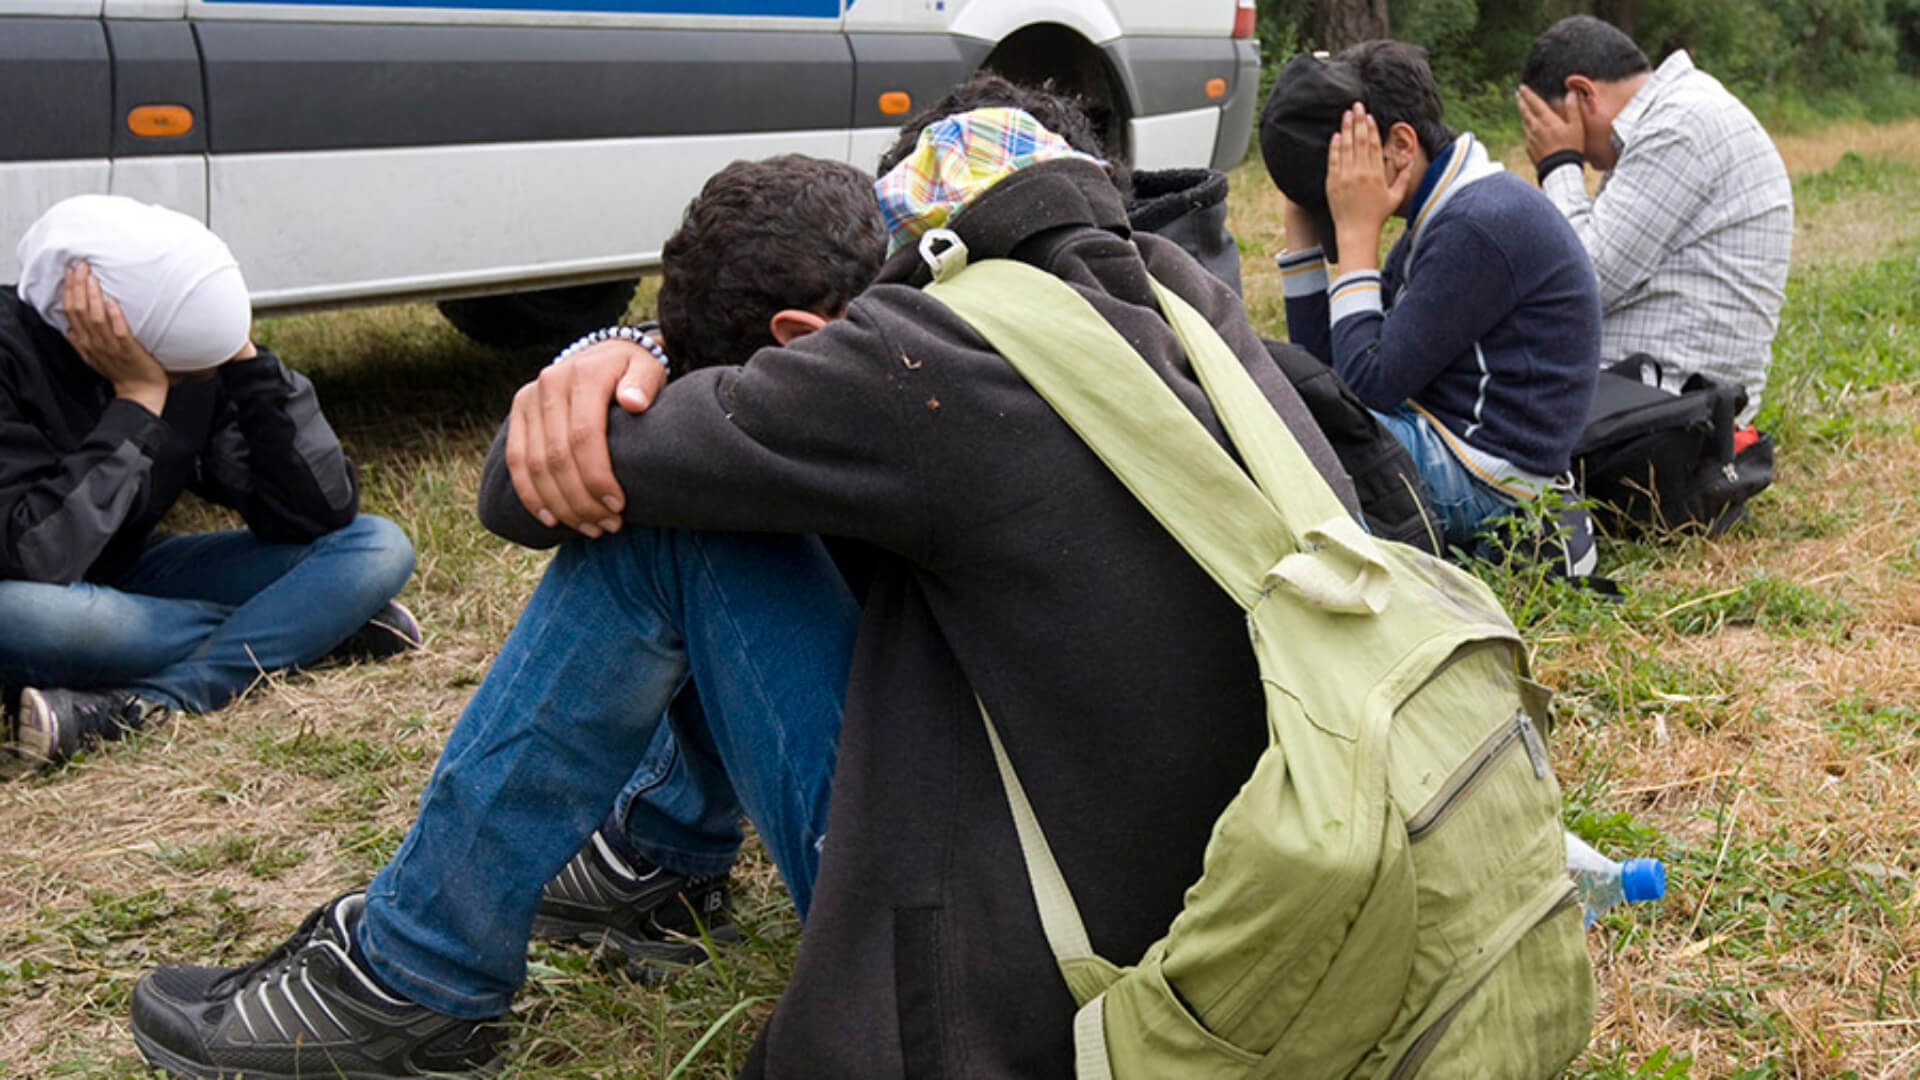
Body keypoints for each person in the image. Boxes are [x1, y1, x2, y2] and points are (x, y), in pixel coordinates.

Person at [130, 80, 1363, 1079]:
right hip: (1258, 920)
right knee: (787, 515)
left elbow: (525, 491)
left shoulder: (917, 364)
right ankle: (655, 856)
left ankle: (412, 975)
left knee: (678, 531)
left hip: (1037, 976)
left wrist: (614, 350)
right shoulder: (1179, 298)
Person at [0, 195, 419, 768]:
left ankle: (149, 701)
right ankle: (312, 633)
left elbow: (313, 516)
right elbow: (35, 557)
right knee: (27, 619)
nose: (190, 380)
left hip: (132, 576)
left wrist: (245, 362)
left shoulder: (182, 355)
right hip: (29, 592)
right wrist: (138, 401)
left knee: (375, 546)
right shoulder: (12, 355)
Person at [1260, 42, 1603, 559]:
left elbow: (1363, 391)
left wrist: (1355, 236)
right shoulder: (1450, 208)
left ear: (1400, 144)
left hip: (1489, 478)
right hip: (1451, 441)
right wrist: (1305, 243)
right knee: (1276, 403)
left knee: (1277, 439)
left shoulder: (1479, 222)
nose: (1337, 192)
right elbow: (1325, 379)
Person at [1516, 15, 1794, 426]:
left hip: (1664, 412)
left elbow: (1582, 282)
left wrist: (1559, 164)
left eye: (1551, 125)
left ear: (1581, 95)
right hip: (1663, 396)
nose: (1585, 157)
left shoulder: (1678, 126)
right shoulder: (1673, 115)